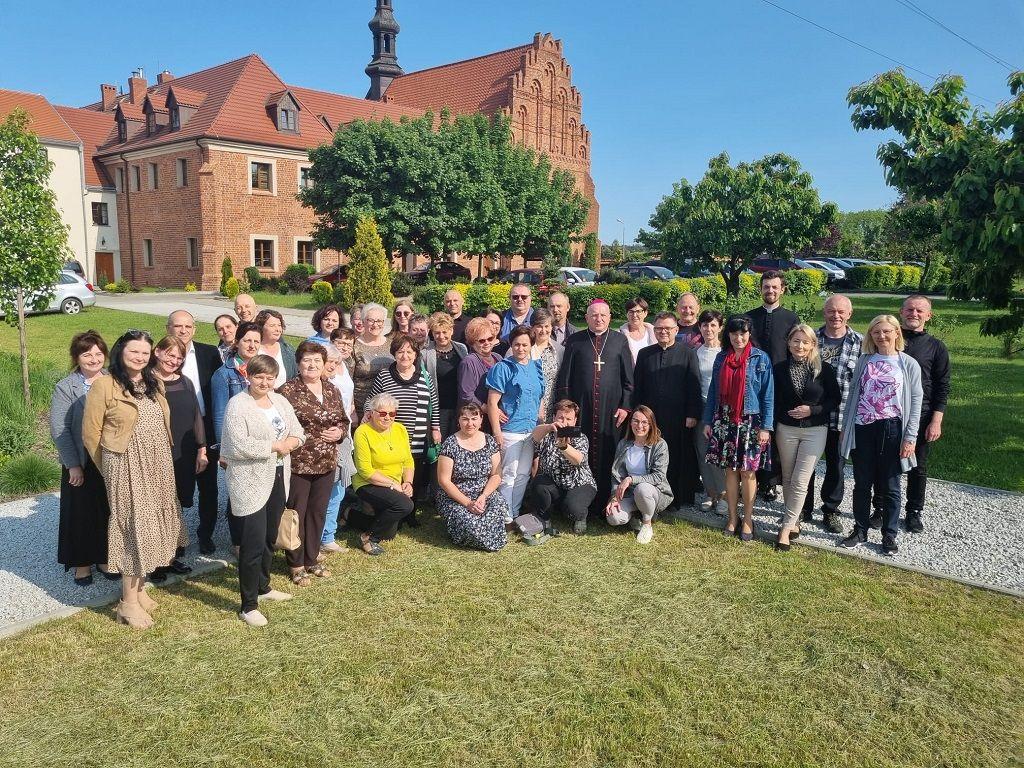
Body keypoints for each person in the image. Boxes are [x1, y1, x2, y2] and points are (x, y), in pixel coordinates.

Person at [82, 330, 182, 630]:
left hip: (157, 463)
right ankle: (126, 603)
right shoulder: (104, 384)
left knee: (152, 523)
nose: (139, 357)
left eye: (144, 352)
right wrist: (113, 469)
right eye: (133, 351)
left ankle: (138, 591)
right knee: (133, 526)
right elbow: (91, 434)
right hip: (125, 464)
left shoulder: (154, 382)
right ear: (120, 352)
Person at [220, 354, 304, 627]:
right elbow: (236, 446)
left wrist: (292, 441)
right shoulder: (238, 405)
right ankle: (248, 605)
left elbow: (298, 433)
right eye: (259, 377)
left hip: (279, 475)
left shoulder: (280, 401)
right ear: (248, 376)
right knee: (253, 543)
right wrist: (275, 446)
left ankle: (264, 587)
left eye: (270, 377)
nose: (264, 382)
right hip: (250, 480)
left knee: (270, 536)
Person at [839, 315, 923, 556]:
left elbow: (916, 401)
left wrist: (910, 437)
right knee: (862, 483)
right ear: (871, 336)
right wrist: (847, 426)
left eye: (887, 331)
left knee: (891, 484)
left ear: (897, 333)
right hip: (863, 427)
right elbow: (854, 395)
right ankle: (860, 529)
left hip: (892, 429)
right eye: (876, 332)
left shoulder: (907, 364)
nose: (882, 336)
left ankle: (889, 533)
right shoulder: (864, 360)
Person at [879, 295, 950, 533]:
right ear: (901, 312)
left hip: (920, 415)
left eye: (920, 311)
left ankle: (914, 511)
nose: (914, 314)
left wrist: (936, 421)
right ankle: (880, 507)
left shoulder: (935, 347)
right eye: (909, 309)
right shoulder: (887, 339)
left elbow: (942, 386)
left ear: (928, 315)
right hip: (886, 414)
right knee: (885, 463)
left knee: (917, 466)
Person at [555, 299, 634, 512]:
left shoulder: (619, 340)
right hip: (582, 411)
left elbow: (629, 380)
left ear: (609, 317)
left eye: (603, 315)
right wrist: (566, 409)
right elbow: (565, 377)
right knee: (581, 454)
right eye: (594, 315)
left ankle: (609, 500)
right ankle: (580, 503)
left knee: (610, 454)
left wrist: (625, 407)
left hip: (611, 412)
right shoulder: (575, 340)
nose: (598, 319)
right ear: (586, 317)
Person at [280, 342, 349, 585]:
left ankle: (311, 558)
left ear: (324, 365)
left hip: (327, 461)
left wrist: (340, 433)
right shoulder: (286, 391)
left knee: (318, 511)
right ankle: (296, 563)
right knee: (297, 513)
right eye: (307, 360)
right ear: (298, 364)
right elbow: (280, 427)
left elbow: (343, 419)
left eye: (317, 361)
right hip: (299, 462)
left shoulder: (331, 390)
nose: (312, 365)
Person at [52, 331, 116, 586]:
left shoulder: (114, 380)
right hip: (82, 461)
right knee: (80, 514)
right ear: (76, 357)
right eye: (86, 353)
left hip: (110, 458)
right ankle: (81, 563)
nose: (93, 358)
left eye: (98, 353)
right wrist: (73, 466)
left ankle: (103, 557)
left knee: (106, 510)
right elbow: (59, 429)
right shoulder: (66, 387)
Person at [702, 315, 774, 542]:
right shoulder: (721, 358)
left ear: (749, 334)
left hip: (751, 422)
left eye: (743, 333)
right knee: (730, 471)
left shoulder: (760, 359)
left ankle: (748, 518)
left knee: (748, 472)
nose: (738, 338)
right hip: (725, 421)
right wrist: (708, 421)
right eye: (734, 333)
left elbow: (768, 396)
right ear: (728, 335)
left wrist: (766, 427)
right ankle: (733, 517)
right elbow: (714, 391)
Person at [772, 325, 840, 551]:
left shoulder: (824, 370)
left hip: (815, 430)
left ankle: (785, 526)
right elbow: (774, 399)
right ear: (789, 343)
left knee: (801, 480)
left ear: (813, 345)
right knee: (789, 478)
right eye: (795, 341)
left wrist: (813, 410)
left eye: (805, 342)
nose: (800, 346)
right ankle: (795, 520)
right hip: (787, 429)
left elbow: (834, 400)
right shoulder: (779, 369)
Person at [802, 295, 863, 533]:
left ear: (849, 314)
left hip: (841, 417)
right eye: (831, 311)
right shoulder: (811, 339)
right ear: (824, 312)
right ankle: (803, 508)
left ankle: (830, 510)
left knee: (836, 467)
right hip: (811, 416)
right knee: (805, 463)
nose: (835, 316)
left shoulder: (860, 342)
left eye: (841, 312)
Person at [149, 335, 206, 581]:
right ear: (157, 352)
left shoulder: (185, 381)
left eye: (179, 357)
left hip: (184, 452)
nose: (174, 360)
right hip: (156, 453)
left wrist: (202, 448)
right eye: (170, 354)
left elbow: (196, 415)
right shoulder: (146, 382)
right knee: (157, 506)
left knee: (176, 505)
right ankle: (156, 561)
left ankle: (171, 556)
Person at [632, 311, 703, 512]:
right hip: (651, 418)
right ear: (654, 330)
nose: (663, 332)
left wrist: (692, 413)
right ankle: (649, 497)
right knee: (651, 456)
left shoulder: (688, 353)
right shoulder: (645, 354)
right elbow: (638, 386)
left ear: (676, 330)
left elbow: (694, 385)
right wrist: (638, 413)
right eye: (659, 328)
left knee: (677, 456)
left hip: (679, 416)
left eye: (668, 328)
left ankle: (676, 498)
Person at [166, 310, 222, 556]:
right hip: (174, 431)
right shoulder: (161, 355)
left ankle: (205, 534)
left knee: (209, 486)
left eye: (188, 326)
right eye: (178, 326)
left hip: (206, 427)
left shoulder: (210, 354)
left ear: (194, 329)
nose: (183, 330)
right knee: (174, 487)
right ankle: (175, 540)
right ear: (169, 328)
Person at [367, 334, 441, 502]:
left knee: (414, 473)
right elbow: (371, 401)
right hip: (390, 436)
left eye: (409, 351)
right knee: (394, 473)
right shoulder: (384, 376)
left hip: (418, 437)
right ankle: (396, 507)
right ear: (394, 354)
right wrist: (367, 413)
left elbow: (434, 404)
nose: (405, 356)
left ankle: (411, 511)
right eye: (401, 351)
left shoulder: (425, 377)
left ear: (415, 354)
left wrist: (435, 428)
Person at [746, 271, 798, 502]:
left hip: (779, 385)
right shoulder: (749, 318)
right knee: (751, 433)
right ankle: (750, 478)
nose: (770, 291)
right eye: (766, 287)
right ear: (761, 289)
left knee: (774, 435)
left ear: (782, 289)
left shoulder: (791, 319)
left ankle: (770, 482)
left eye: (775, 287)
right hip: (752, 386)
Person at [486, 325, 545, 519]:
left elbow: (539, 399)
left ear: (531, 345)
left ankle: (515, 511)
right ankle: (504, 515)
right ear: (511, 345)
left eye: (525, 344)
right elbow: (492, 402)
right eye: (517, 344)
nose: (521, 348)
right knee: (508, 474)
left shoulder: (536, 367)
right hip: (511, 430)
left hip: (531, 430)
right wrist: (497, 433)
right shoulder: (503, 368)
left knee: (523, 475)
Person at [435, 404, 509, 551]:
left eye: (474, 418)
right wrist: (468, 503)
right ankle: (481, 533)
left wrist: (484, 495)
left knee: (499, 505)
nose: (470, 424)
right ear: (459, 421)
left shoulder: (489, 441)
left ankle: (483, 532)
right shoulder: (450, 444)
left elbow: (496, 474)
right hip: (456, 497)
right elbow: (444, 480)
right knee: (472, 524)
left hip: (484, 494)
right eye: (465, 419)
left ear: (481, 420)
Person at [351, 393, 416, 556]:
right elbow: (365, 470)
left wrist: (408, 482)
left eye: (392, 414)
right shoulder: (362, 432)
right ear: (372, 413)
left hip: (393, 484)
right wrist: (393, 485)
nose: (387, 417)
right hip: (367, 482)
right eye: (382, 413)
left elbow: (408, 460)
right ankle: (368, 538)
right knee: (405, 505)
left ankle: (349, 515)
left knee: (390, 532)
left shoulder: (400, 429)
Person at [607, 405, 674, 545]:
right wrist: (614, 497)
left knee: (642, 488)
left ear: (651, 425)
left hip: (653, 492)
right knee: (613, 517)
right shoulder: (624, 444)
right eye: (636, 421)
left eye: (644, 422)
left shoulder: (660, 445)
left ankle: (647, 523)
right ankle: (635, 515)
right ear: (630, 423)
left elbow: (658, 477)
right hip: (630, 493)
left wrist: (631, 479)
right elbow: (616, 475)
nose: (639, 425)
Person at [529, 400, 598, 535]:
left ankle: (580, 516)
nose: (564, 422)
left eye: (568, 419)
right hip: (555, 484)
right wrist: (549, 427)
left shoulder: (580, 437)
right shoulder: (546, 435)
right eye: (560, 417)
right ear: (554, 417)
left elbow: (578, 460)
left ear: (575, 420)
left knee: (573, 509)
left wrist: (564, 447)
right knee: (538, 483)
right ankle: (545, 518)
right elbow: (534, 435)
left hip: (580, 484)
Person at [320, 333, 357, 553]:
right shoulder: (321, 380)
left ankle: (328, 535)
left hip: (344, 436)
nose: (333, 365)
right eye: (329, 362)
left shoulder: (345, 368)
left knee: (340, 489)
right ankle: (322, 536)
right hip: (328, 440)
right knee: (330, 490)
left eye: (335, 362)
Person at [693, 310, 727, 514]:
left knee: (720, 452)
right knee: (703, 451)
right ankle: (710, 492)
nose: (709, 329)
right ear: (700, 328)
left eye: (713, 325)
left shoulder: (726, 353)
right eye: (705, 325)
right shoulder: (695, 352)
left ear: (720, 327)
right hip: (701, 407)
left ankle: (724, 494)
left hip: (721, 408)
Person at [422, 312, 468, 440]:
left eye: (445, 332)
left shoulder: (461, 349)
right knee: (439, 445)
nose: (441, 336)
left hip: (459, 406)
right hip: (438, 409)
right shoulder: (425, 354)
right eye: (437, 332)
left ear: (451, 331)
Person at [351, 303, 394, 417]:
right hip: (361, 407)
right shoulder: (354, 345)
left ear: (384, 322)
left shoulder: (392, 344)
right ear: (364, 321)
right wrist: (352, 410)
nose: (375, 324)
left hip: (387, 409)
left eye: (379, 321)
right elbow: (347, 380)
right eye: (371, 320)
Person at [458, 317, 503, 414]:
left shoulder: (498, 358)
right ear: (472, 342)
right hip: (476, 417)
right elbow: (467, 395)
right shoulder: (469, 362)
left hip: (497, 415)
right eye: (482, 340)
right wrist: (491, 410)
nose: (487, 343)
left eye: (490, 338)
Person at [527, 308, 562, 422]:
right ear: (532, 327)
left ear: (551, 327)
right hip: (528, 409)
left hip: (552, 411)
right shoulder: (522, 349)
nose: (543, 330)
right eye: (539, 326)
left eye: (547, 326)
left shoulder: (560, 350)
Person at [256, 309, 296, 389]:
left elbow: (295, 375)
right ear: (261, 327)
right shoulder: (254, 350)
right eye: (272, 326)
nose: (277, 329)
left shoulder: (287, 349)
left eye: (279, 325)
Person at [619, 297, 657, 363]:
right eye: (631, 312)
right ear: (627, 314)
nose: (634, 315)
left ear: (645, 313)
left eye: (638, 311)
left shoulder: (655, 333)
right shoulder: (620, 335)